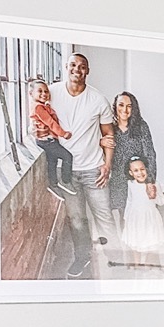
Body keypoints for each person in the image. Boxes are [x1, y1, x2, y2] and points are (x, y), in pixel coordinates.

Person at [48, 52, 115, 278]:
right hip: (66, 172)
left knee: (104, 216)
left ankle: (115, 257)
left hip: (94, 170)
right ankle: (82, 257)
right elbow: (36, 118)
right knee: (77, 220)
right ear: (66, 67)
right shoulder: (52, 93)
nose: (77, 69)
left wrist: (107, 165)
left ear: (88, 71)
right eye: (73, 65)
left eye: (83, 66)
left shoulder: (98, 99)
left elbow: (109, 135)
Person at [109, 91, 158, 236]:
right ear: (115, 106)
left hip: (137, 179)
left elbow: (150, 154)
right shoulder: (110, 127)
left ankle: (141, 245)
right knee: (124, 213)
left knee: (140, 213)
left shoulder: (141, 126)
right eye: (121, 105)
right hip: (117, 178)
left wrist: (150, 181)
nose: (125, 110)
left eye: (129, 106)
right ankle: (128, 245)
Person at [28, 79, 75, 198]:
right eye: (40, 91)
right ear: (31, 93)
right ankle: (66, 181)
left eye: (46, 91)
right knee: (67, 156)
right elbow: (50, 123)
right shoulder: (38, 107)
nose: (44, 94)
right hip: (46, 142)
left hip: (47, 140)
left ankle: (53, 185)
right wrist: (63, 134)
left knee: (52, 162)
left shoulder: (43, 106)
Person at [121, 156, 164, 267]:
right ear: (131, 173)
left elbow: (162, 201)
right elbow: (130, 200)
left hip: (149, 218)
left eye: (142, 169)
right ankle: (137, 264)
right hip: (135, 218)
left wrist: (153, 195)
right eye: (136, 171)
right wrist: (126, 218)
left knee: (150, 240)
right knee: (135, 241)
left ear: (146, 169)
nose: (140, 173)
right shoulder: (130, 184)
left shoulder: (155, 184)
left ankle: (148, 263)